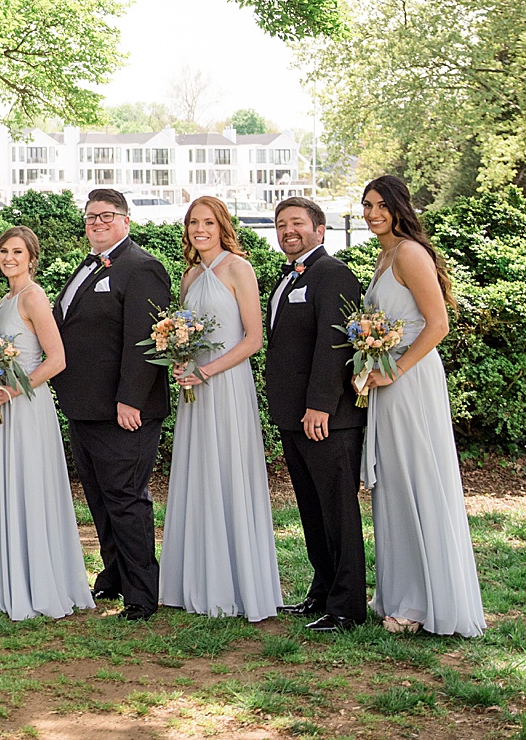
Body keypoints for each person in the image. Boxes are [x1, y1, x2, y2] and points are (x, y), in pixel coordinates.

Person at [359, 175, 485, 637]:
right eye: (366, 206)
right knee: (393, 484)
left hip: (410, 382)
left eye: (379, 205)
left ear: (397, 206)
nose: (372, 213)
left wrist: (392, 369)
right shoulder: (385, 254)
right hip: (387, 380)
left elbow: (438, 325)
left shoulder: (410, 253)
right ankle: (398, 592)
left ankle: (422, 603)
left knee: (416, 480)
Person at [158, 197, 281, 621]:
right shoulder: (189, 275)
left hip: (226, 385)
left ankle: (236, 581)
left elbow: (252, 339)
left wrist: (207, 370)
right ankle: (197, 577)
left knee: (227, 468)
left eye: (208, 222)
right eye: (193, 222)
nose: (200, 229)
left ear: (222, 226)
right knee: (198, 471)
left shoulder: (237, 268)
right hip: (194, 386)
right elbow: (186, 332)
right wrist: (180, 357)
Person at [52, 188, 173, 621]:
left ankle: (143, 593)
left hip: (123, 410)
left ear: (125, 219)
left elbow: (144, 340)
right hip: (84, 407)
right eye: (89, 217)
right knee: (101, 499)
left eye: (105, 215)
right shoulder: (87, 267)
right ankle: (115, 576)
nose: (97, 223)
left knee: (126, 498)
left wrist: (130, 399)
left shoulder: (142, 267)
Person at [0, 226, 93, 621]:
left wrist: (14, 390)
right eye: (4, 251)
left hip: (26, 405)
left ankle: (40, 583)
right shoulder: (4, 301)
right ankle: (10, 579)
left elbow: (57, 359)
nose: (9, 258)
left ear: (31, 258)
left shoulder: (33, 296)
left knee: (30, 484)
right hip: (4, 407)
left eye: (17, 252)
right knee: (9, 485)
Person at [263, 196, 368, 633]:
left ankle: (347, 607)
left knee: (337, 511)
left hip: (326, 417)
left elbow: (335, 345)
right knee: (311, 508)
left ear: (319, 230)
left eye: (298, 223)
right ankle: (322, 591)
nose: (289, 230)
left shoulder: (334, 274)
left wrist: (320, 405)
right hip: (293, 415)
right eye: (282, 223)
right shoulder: (287, 278)